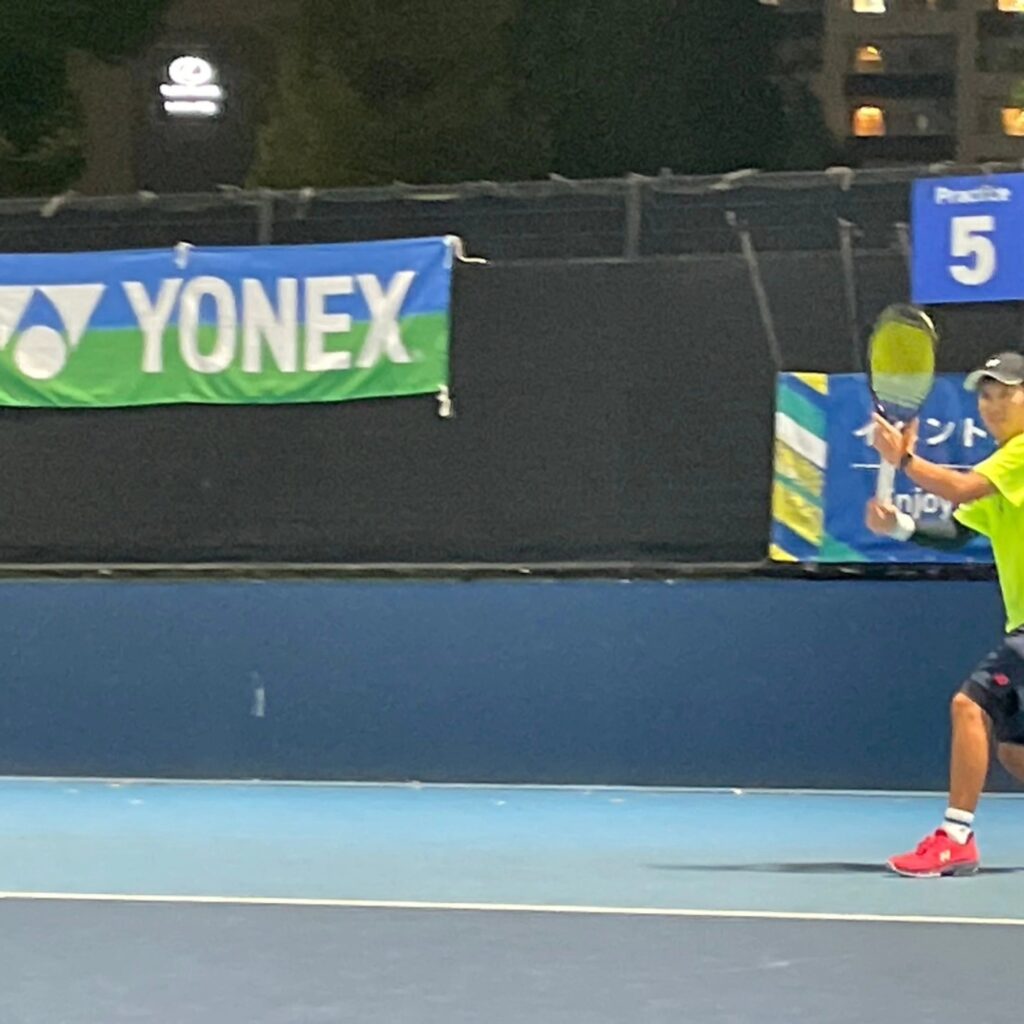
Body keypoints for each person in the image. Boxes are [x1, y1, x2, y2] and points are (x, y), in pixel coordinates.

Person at [866, 351, 1024, 877]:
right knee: (1015, 752)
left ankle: (956, 839)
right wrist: (899, 527)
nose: (994, 404)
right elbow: (958, 531)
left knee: (969, 705)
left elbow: (959, 488)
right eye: (986, 395)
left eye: (1007, 393)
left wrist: (905, 460)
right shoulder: (1004, 471)